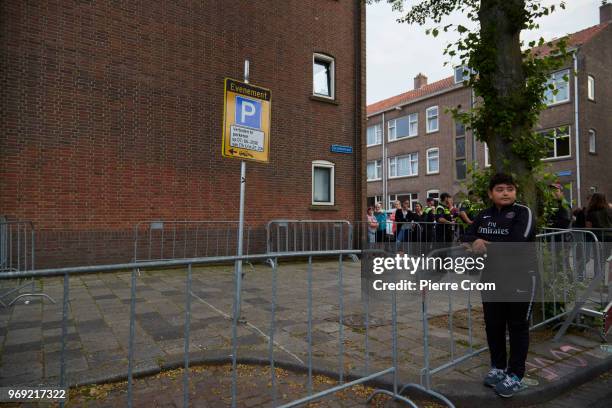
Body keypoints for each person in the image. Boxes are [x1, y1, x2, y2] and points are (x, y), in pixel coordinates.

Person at [461, 173, 536, 398]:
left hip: (521, 278)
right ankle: (498, 367)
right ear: (490, 193)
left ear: (515, 192)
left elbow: (516, 242)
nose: (505, 193)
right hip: (491, 278)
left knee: (517, 327)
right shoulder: (483, 215)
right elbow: (466, 235)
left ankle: (515, 374)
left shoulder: (523, 213)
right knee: (493, 324)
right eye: (500, 189)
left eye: (510, 189)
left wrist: (485, 244)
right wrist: (474, 240)